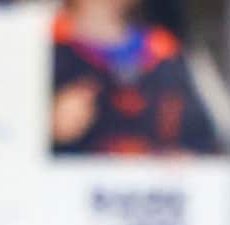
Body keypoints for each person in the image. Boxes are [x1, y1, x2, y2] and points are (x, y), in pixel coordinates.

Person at [51, 0, 218, 156]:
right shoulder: (43, 45)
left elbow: (202, 139)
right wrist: (47, 126)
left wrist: (187, 155)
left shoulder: (165, 51)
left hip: (154, 182)